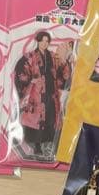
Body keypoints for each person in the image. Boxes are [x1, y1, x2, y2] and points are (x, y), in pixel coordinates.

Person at [13, 31, 72, 161]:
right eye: (42, 41)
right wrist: (30, 80)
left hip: (51, 92)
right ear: (38, 41)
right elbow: (21, 73)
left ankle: (49, 145)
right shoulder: (30, 56)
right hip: (37, 93)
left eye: (47, 41)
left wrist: (66, 61)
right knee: (36, 118)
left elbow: (62, 73)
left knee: (50, 117)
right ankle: (37, 146)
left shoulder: (53, 56)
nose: (45, 43)